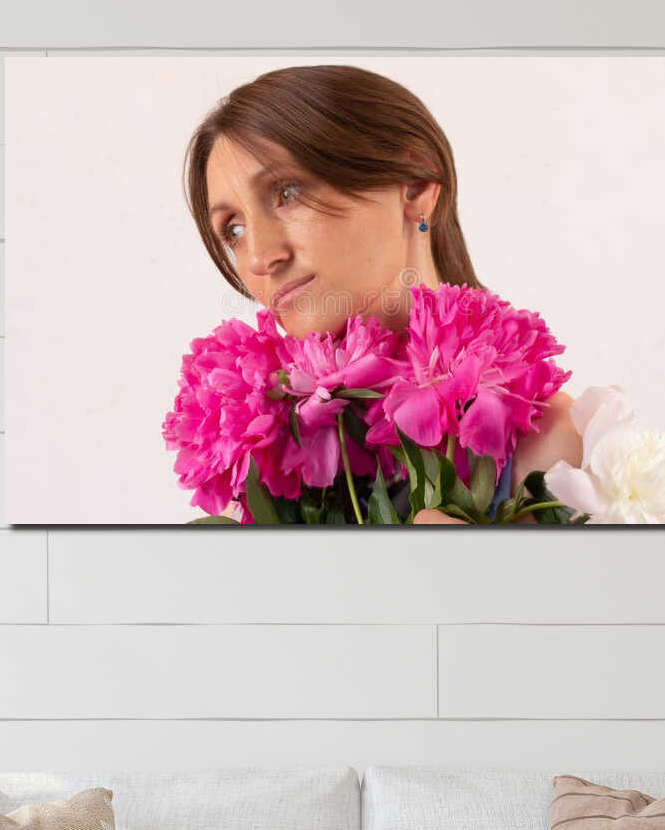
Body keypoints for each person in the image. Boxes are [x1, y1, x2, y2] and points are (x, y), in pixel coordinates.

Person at [181, 64, 580, 520]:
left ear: (415, 185)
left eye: (287, 193)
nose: (258, 257)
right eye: (233, 229)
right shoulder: (265, 454)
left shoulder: (550, 442)